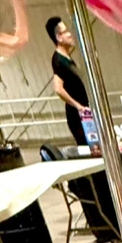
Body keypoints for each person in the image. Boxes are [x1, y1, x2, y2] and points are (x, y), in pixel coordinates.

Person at [46, 15, 90, 147]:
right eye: (65, 32)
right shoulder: (58, 60)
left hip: (83, 111)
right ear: (59, 37)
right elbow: (58, 89)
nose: (70, 34)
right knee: (88, 147)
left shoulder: (66, 58)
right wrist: (78, 106)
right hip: (77, 115)